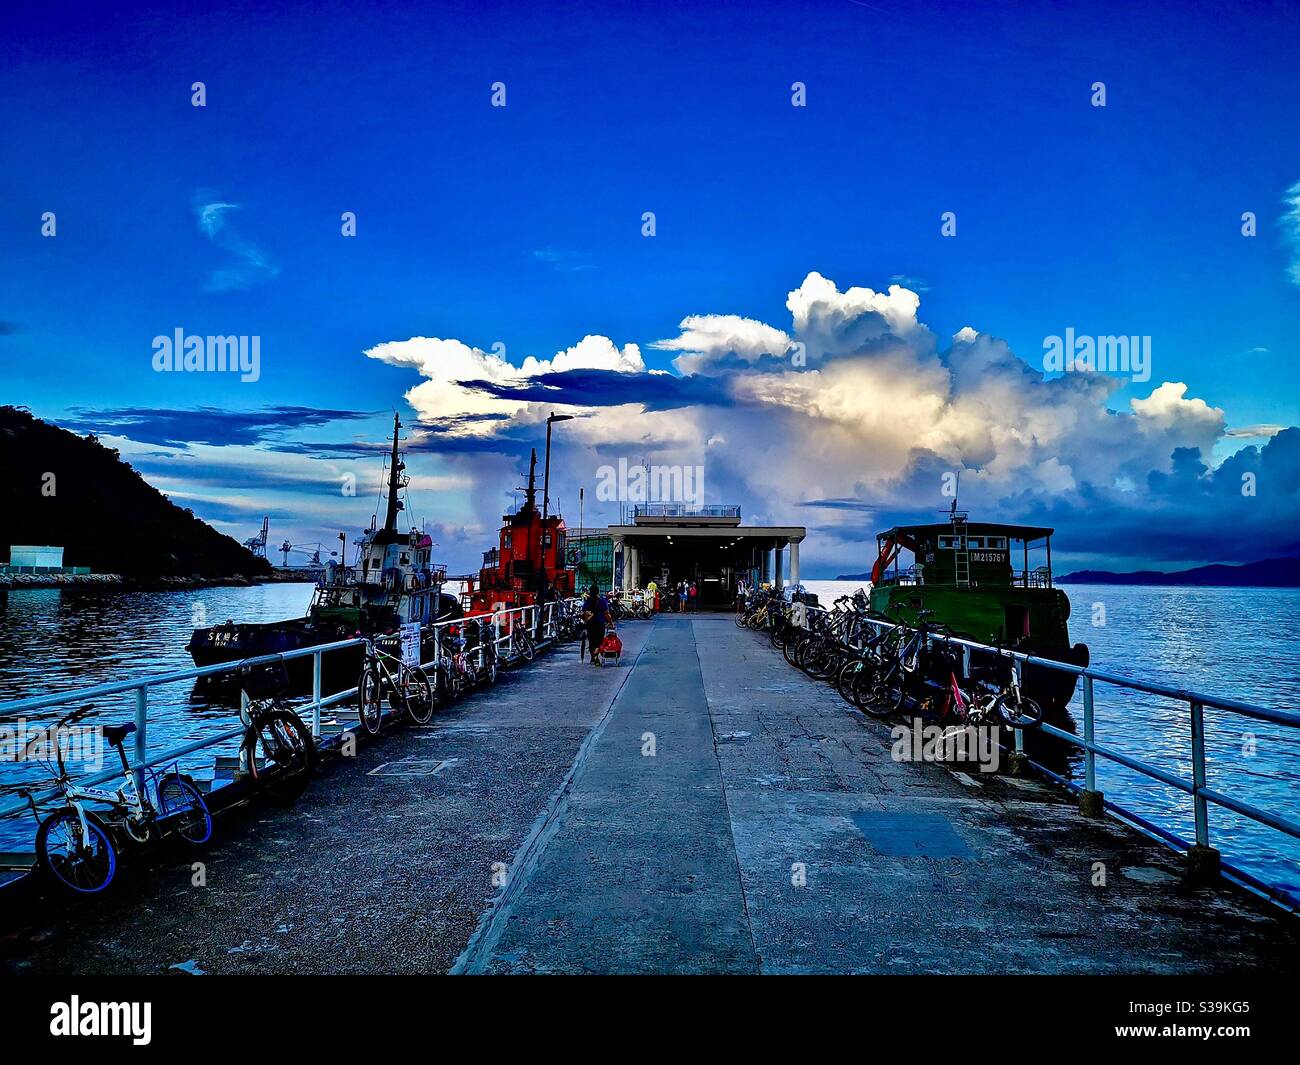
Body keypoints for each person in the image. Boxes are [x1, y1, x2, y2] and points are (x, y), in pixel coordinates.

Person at [581, 584, 608, 666]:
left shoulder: (587, 601)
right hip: (600, 624)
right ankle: (596, 655)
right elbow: (606, 613)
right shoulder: (602, 601)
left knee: (591, 641)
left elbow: (583, 613)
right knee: (599, 641)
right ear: (598, 592)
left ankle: (593, 657)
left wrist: (585, 620)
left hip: (590, 624)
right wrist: (611, 623)